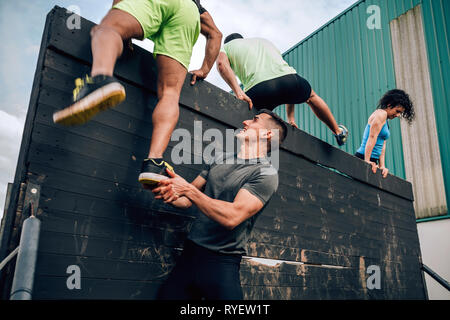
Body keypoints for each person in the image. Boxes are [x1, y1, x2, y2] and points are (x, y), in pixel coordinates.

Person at [53, 0, 222, 187]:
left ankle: (101, 78)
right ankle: (154, 162)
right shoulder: (198, 7)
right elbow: (216, 34)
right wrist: (205, 69)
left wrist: (122, 30)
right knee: (170, 93)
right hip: (189, 11)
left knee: (109, 29)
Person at [151, 109, 287, 300]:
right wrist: (166, 189)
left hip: (221, 262)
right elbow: (187, 200)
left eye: (255, 120)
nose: (246, 122)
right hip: (189, 255)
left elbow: (232, 217)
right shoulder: (219, 158)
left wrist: (188, 190)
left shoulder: (265, 174)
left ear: (268, 134)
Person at [216, 33, 349, 146]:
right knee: (312, 97)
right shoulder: (263, 41)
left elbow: (221, 64)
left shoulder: (227, 47)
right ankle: (337, 131)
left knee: (256, 121)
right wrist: (290, 119)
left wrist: (238, 91)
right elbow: (279, 76)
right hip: (289, 81)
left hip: (259, 90)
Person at [355, 89, 415, 178]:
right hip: (363, 158)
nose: (398, 115)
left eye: (400, 113)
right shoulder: (381, 115)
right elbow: (372, 137)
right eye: (397, 111)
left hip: (373, 160)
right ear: (389, 105)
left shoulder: (385, 119)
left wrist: (382, 166)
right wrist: (366, 161)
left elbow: (382, 144)